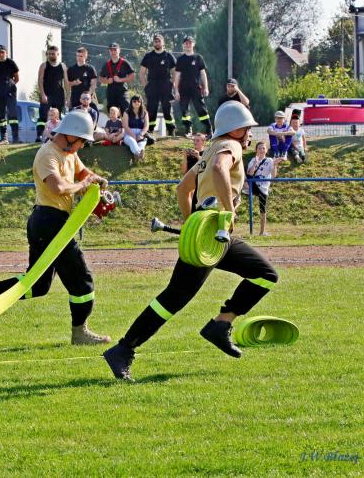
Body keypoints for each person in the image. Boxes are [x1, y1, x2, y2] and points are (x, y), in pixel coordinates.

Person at [103, 101, 278, 381]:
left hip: (207, 232)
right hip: (213, 233)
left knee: (261, 275)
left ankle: (221, 325)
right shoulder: (230, 147)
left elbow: (183, 188)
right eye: (247, 128)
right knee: (176, 297)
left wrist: (191, 223)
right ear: (235, 129)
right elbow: (220, 170)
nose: (249, 134)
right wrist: (229, 211)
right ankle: (123, 349)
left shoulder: (210, 149)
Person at [0, 111, 111, 345]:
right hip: (50, 222)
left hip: (48, 223)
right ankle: (80, 332)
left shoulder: (69, 154)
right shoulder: (47, 154)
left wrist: (97, 180)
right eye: (82, 141)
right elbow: (57, 187)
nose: (82, 146)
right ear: (70, 135)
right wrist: (82, 184)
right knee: (82, 281)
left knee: (39, 284)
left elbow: (84, 173)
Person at [174, 35, 212, 136]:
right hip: (183, 89)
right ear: (183, 45)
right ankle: (188, 130)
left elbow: (203, 74)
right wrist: (176, 91)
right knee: (184, 110)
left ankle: (209, 130)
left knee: (201, 109)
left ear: (193, 44)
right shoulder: (180, 59)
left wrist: (206, 88)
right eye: (186, 43)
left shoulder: (198, 58)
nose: (188, 45)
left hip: (196, 88)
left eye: (190, 43)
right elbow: (177, 76)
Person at [141, 34, 177, 136]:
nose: (157, 43)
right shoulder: (148, 56)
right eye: (155, 41)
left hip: (166, 85)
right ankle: (149, 130)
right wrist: (146, 86)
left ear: (163, 43)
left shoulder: (168, 56)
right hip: (152, 85)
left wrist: (172, 84)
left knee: (167, 109)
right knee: (151, 109)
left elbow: (175, 72)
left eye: (159, 41)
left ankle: (171, 130)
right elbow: (142, 73)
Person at [244, 141, 279, 236]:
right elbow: (250, 173)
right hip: (254, 185)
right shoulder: (253, 160)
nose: (261, 150)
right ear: (256, 150)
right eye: (259, 148)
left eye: (263, 148)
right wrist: (255, 163)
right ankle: (245, 188)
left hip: (263, 187)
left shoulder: (270, 160)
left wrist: (275, 165)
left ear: (266, 150)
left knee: (263, 210)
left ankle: (262, 232)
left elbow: (273, 176)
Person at [36, 45, 69, 142]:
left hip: (59, 94)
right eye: (49, 54)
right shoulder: (44, 65)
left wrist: (68, 97)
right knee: (43, 115)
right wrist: (43, 94)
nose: (51, 55)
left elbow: (66, 82)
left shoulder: (63, 66)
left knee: (57, 116)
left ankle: (56, 136)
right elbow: (40, 80)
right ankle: (40, 136)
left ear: (57, 54)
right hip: (47, 94)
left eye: (53, 54)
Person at [0, 44, 20, 144]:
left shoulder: (11, 63)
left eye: (3, 52)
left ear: (6, 53)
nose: (1, 54)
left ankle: (15, 138)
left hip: (10, 89)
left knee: (12, 113)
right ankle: (4, 138)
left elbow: (17, 78)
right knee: (0, 114)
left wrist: (10, 85)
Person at [99, 43, 135, 115]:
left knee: (126, 112)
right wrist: (107, 81)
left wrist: (120, 80)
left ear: (119, 50)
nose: (113, 52)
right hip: (111, 92)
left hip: (122, 91)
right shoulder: (106, 64)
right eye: (111, 50)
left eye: (115, 50)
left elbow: (132, 76)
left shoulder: (125, 63)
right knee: (113, 114)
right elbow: (101, 78)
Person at [122, 95, 150, 162]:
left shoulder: (145, 113)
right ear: (131, 102)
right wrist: (133, 135)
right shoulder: (127, 112)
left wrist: (141, 134)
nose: (136, 103)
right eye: (134, 101)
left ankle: (138, 156)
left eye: (138, 101)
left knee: (142, 143)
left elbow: (146, 126)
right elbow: (125, 126)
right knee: (132, 141)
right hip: (129, 133)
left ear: (141, 102)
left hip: (141, 133)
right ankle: (138, 154)